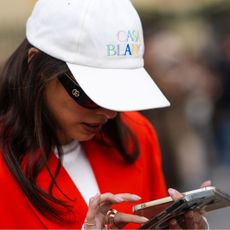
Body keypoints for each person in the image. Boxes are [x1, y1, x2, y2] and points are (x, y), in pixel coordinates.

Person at [0, 0, 209, 229]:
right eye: (91, 94)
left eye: (120, 94)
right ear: (35, 65)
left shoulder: (135, 134)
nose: (109, 112)